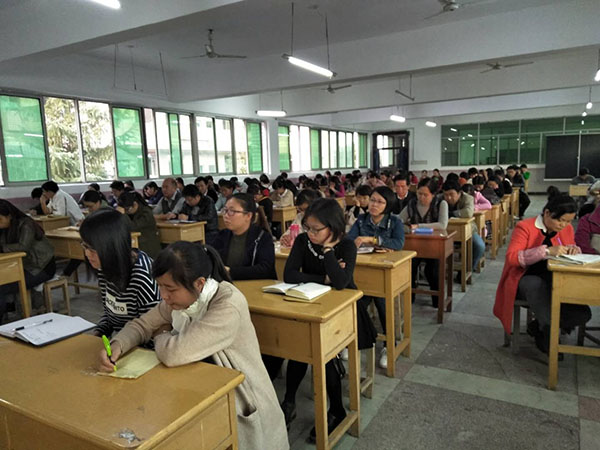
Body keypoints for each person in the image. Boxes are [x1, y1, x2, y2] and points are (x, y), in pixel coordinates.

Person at [97, 241, 289, 450]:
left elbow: (174, 353)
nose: (164, 296)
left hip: (242, 401)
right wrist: (118, 344)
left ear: (199, 283)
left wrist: (161, 333)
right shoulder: (182, 300)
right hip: (200, 390)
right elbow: (143, 324)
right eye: (160, 286)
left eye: (170, 288)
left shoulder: (227, 304)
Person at [280, 198, 377, 441]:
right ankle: (288, 402)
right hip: (311, 305)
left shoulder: (347, 246)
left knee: (323, 354)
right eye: (308, 227)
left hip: (345, 310)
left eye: (316, 229)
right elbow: (289, 275)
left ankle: (336, 410)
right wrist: (323, 278)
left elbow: (342, 282)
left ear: (332, 228)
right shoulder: (303, 241)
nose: (310, 233)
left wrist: (328, 252)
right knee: (299, 348)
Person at [494, 194, 591, 355]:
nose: (564, 225)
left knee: (582, 313)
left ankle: (539, 326)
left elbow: (570, 246)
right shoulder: (525, 227)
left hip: (556, 278)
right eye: (560, 220)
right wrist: (545, 251)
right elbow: (512, 258)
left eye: (568, 221)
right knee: (536, 285)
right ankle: (548, 333)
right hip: (525, 278)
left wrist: (574, 250)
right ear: (547, 213)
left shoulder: (567, 229)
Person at [79, 209, 162, 337]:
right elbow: (111, 314)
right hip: (120, 342)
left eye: (92, 249)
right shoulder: (105, 267)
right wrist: (98, 333)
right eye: (84, 246)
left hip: (142, 345)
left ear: (112, 246)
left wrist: (120, 344)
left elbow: (154, 330)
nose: (87, 254)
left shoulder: (143, 278)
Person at [347, 186, 404, 368]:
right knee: (356, 302)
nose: (374, 205)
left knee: (383, 302)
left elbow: (398, 243)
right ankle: (353, 340)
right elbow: (349, 240)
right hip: (364, 271)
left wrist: (371, 240)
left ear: (388, 205)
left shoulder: (395, 222)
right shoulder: (361, 220)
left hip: (385, 272)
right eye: (372, 200)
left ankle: (389, 344)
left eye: (380, 202)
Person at [0, 199, 55, 321]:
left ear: (9, 216)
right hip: (23, 266)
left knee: (2, 286)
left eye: (0, 219)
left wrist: (2, 248)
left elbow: (23, 246)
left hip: (41, 267)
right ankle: (8, 309)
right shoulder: (5, 228)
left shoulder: (26, 223)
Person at [399, 178, 449, 308]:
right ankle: (410, 297)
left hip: (434, 245)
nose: (421, 197)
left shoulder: (441, 203)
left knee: (432, 271)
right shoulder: (412, 204)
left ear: (433, 194)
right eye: (419, 194)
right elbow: (400, 219)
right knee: (409, 267)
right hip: (415, 244)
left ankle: (437, 300)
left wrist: (418, 226)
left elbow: (442, 224)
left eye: (425, 195)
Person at [211, 193, 276, 280]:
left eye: (232, 211)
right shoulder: (222, 235)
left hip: (254, 284)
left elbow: (265, 269)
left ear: (248, 215)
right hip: (227, 284)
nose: (226, 215)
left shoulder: (262, 237)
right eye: (225, 210)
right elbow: (210, 259)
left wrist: (231, 271)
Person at [442, 180, 486, 272]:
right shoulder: (440, 198)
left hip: (467, 229)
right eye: (446, 195)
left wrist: (451, 213)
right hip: (445, 231)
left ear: (459, 193)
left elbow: (468, 212)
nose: (448, 198)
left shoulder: (468, 198)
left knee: (479, 246)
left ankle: (467, 270)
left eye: (451, 194)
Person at [117, 191, 162, 259]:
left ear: (135, 204)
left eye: (127, 209)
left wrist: (123, 215)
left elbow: (132, 227)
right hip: (137, 247)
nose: (126, 212)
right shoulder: (131, 213)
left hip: (148, 250)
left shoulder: (146, 213)